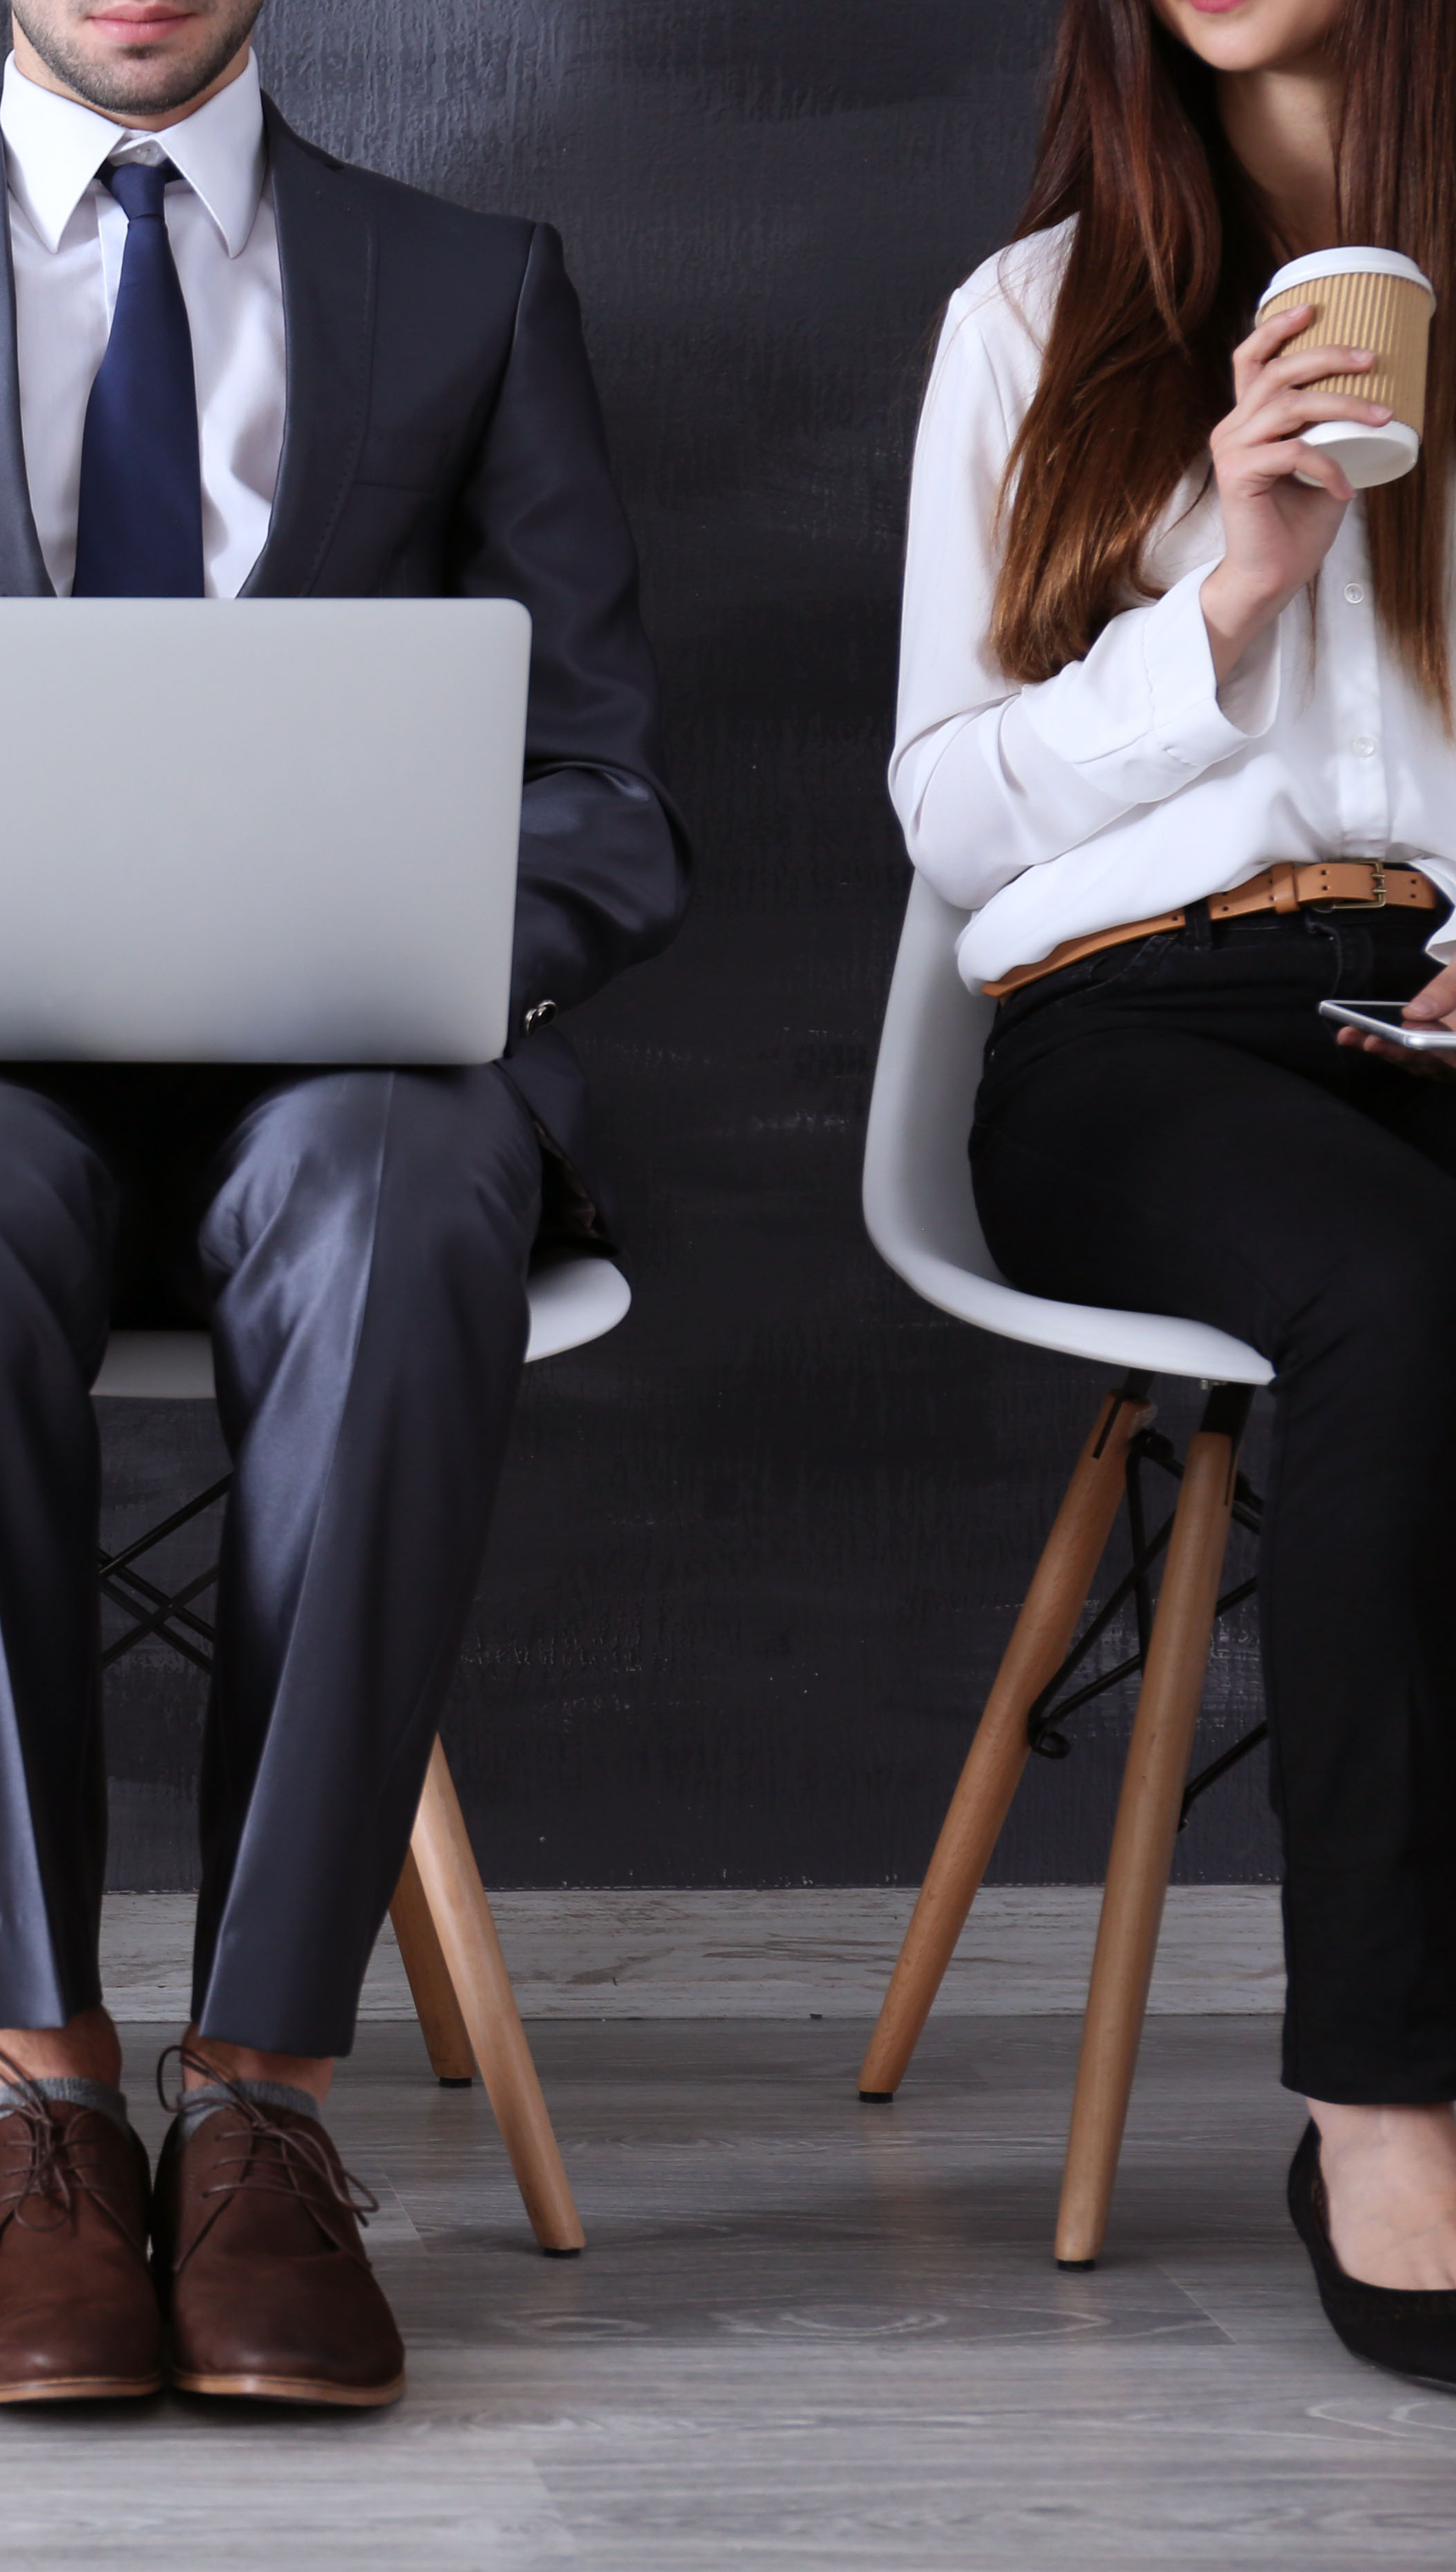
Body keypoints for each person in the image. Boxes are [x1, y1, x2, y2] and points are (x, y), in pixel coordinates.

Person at [0, 0, 682, 2411]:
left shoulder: (474, 287)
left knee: (403, 1181)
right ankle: (41, 2098)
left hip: (346, 1074)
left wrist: (414, 948)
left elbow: (605, 787)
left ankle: (266, 2101)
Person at [892, 0, 1456, 2387]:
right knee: (1412, 1290)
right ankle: (1391, 2100)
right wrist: (1222, 589)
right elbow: (951, 813)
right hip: (1146, 1018)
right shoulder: (1038, 317)